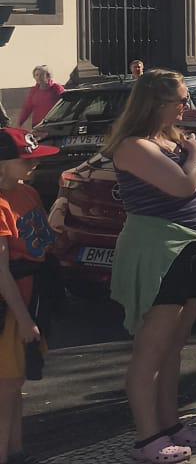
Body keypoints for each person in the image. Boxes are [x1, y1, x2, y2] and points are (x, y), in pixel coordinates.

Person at [108, 71, 196, 464]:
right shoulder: (133, 145)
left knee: (175, 346)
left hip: (190, 246)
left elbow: (194, 188)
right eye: (181, 100)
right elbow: (180, 186)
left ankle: (171, 423)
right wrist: (195, 158)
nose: (186, 108)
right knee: (151, 349)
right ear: (155, 103)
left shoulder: (169, 140)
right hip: (160, 251)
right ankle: (147, 437)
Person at [0, 128, 55, 463]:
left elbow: (43, 241)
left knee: (15, 382)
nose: (33, 165)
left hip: (33, 298)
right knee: (5, 385)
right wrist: (21, 318)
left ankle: (17, 449)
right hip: (9, 308)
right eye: (26, 159)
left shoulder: (29, 192)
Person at [16, 66, 63, 130]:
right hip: (37, 125)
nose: (38, 77)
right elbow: (27, 108)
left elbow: (64, 104)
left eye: (41, 75)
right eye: (36, 75)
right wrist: (19, 123)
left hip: (53, 124)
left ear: (48, 76)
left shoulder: (57, 88)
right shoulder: (34, 90)